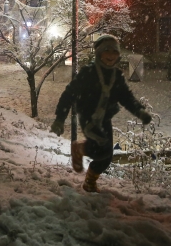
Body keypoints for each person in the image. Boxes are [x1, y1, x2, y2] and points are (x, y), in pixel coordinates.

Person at [50, 34, 152, 193]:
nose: (111, 55)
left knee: (107, 156)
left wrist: (139, 111)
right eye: (106, 51)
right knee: (102, 149)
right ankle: (79, 149)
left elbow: (126, 97)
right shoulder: (88, 73)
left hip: (105, 118)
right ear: (99, 54)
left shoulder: (116, 76)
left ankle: (90, 182)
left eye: (114, 52)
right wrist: (59, 119)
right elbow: (69, 94)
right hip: (88, 117)